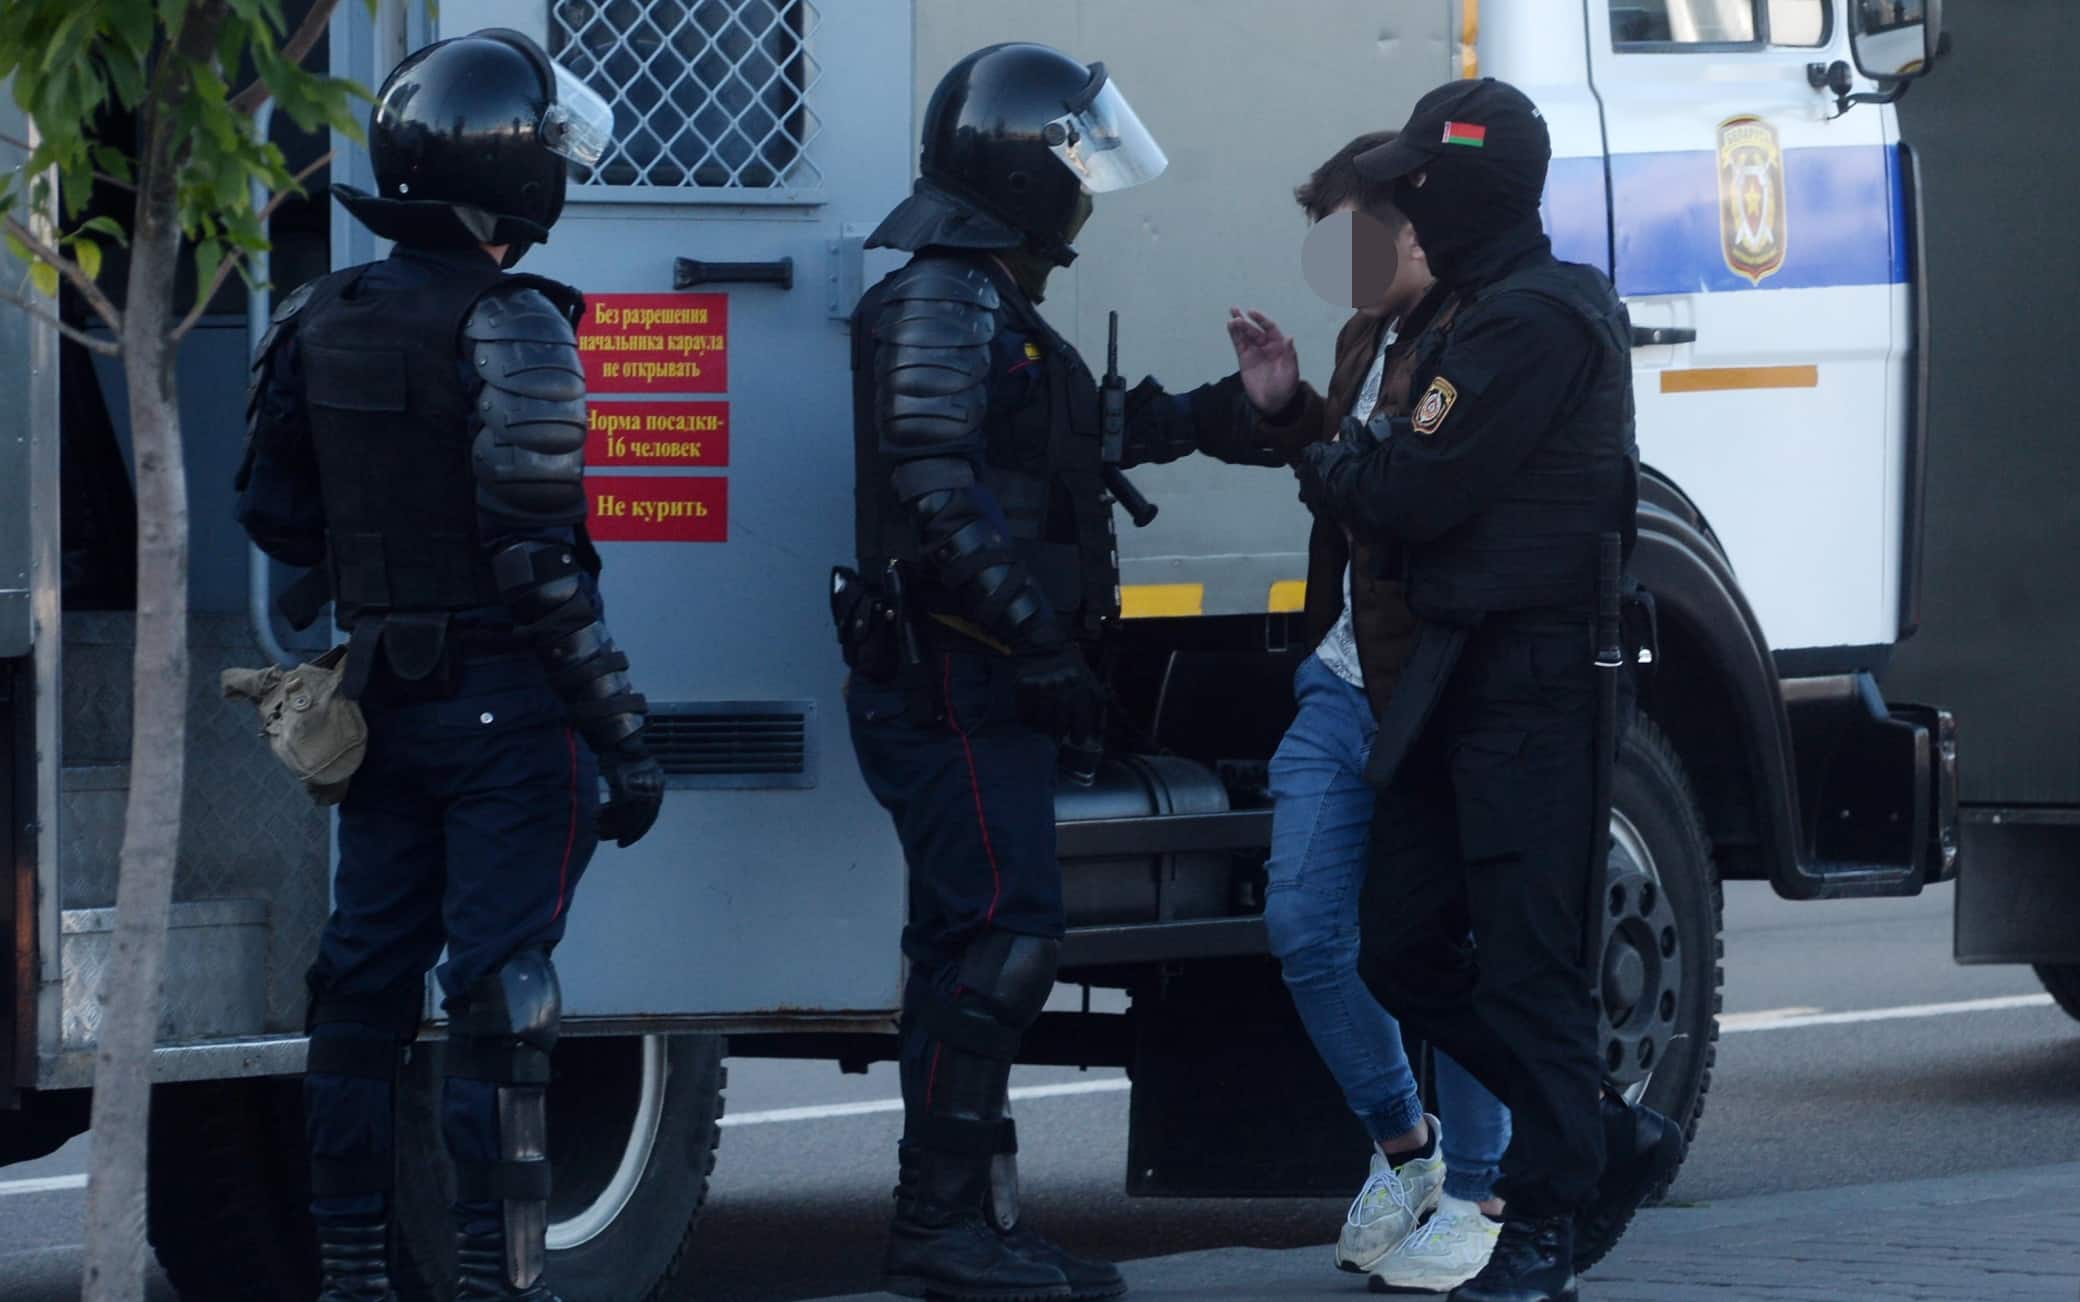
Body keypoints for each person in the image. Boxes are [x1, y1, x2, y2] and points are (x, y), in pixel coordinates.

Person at [840, 42, 1282, 1302]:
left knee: (970, 947)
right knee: (1001, 943)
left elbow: (1068, 440)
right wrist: (1032, 645)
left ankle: (965, 1223)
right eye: (1071, 160)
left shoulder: (982, 299)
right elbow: (935, 493)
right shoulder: (942, 297)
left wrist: (1222, 413)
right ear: (1018, 172)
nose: (1085, 188)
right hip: (952, 684)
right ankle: (943, 1231)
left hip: (974, 684)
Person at [235, 30, 662, 1302]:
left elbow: (274, 516)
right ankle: (493, 1279)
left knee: (359, 983)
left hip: (383, 697)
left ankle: (355, 1276)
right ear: (516, 171)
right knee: (501, 995)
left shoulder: (319, 312)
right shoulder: (515, 322)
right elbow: (539, 565)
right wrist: (622, 733)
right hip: (503, 709)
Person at [1288, 79, 1685, 1302]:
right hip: (1454, 673)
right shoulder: (1466, 320)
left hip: (1534, 683)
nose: (1401, 201)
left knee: (1524, 966)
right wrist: (1360, 457)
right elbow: (1387, 474)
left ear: (1466, 186)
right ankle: (1605, 1137)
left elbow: (1406, 492)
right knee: (1403, 947)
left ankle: (1549, 1219)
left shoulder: (1533, 321)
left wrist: (1347, 456)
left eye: (1417, 181)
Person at [1219, 131, 1513, 1294]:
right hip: (1341, 680)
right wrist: (1288, 409)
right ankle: (1409, 1153)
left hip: (1430, 690)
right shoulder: (1364, 336)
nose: (1334, 260)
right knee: (1303, 927)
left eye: (1350, 235)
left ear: (1410, 229)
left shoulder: (1473, 336)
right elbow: (1348, 492)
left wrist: (1311, 432)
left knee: (1444, 946)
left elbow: (1409, 493)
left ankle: (1484, 1191)